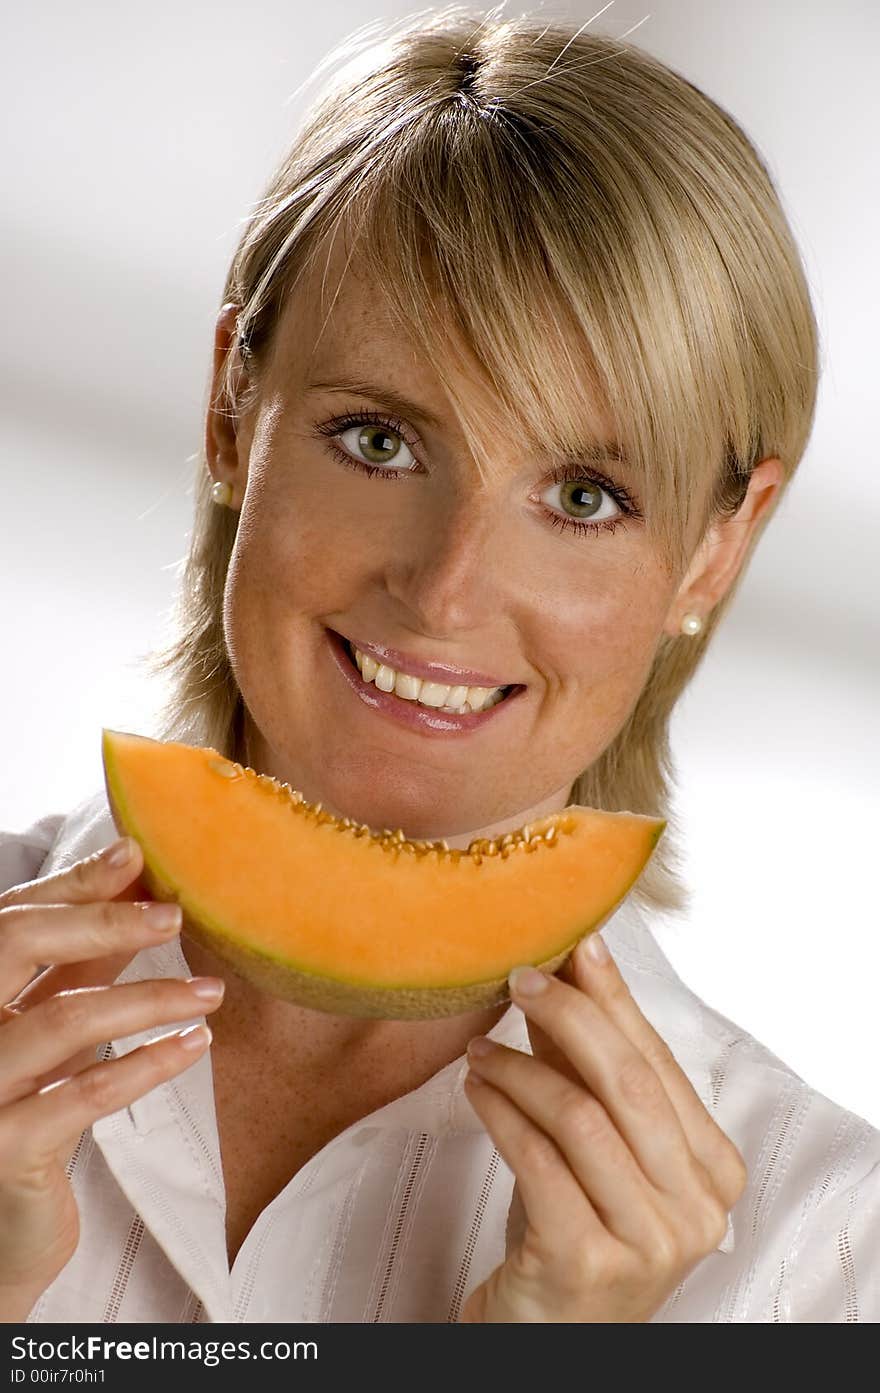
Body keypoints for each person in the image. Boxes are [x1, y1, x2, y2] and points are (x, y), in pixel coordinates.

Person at [1, 7, 877, 1325]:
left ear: (715, 547)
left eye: (585, 496)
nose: (446, 590)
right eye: (377, 440)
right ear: (230, 414)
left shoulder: (829, 1252)